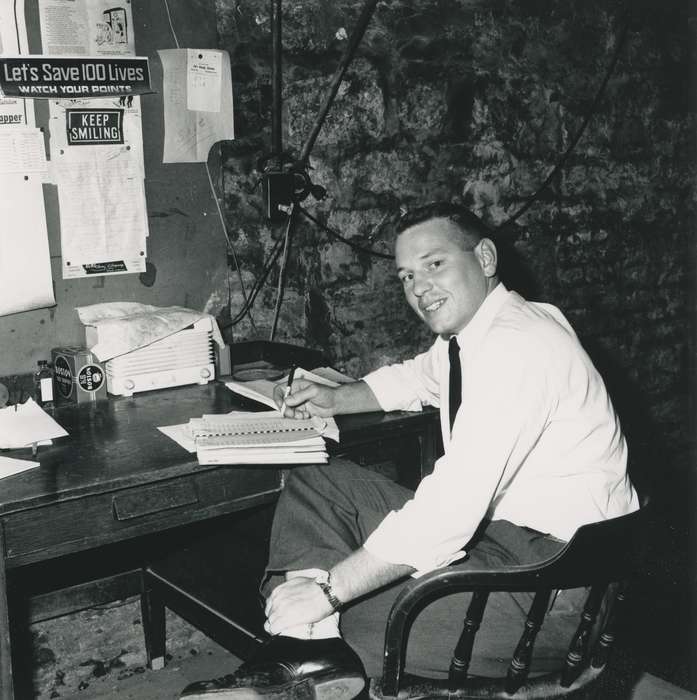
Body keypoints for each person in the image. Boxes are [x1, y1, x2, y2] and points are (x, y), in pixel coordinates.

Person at [181, 203, 639, 700]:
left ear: (485, 258)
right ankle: (304, 654)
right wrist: (337, 397)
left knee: (348, 616)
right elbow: (418, 377)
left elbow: (448, 512)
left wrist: (328, 590)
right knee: (320, 480)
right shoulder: (483, 332)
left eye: (434, 264)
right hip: (508, 542)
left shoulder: (521, 347)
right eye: (405, 276)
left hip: (555, 588)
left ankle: (298, 659)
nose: (418, 288)